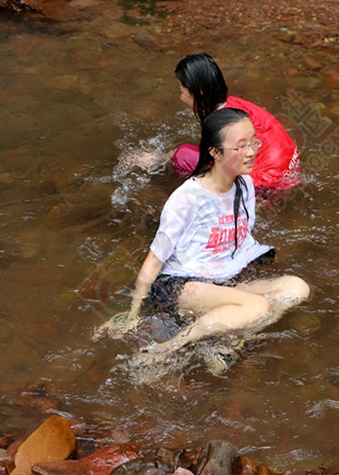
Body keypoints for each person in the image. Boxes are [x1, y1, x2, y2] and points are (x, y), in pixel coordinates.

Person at [95, 108, 310, 356]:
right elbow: (154, 261)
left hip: (225, 279)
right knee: (258, 306)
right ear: (215, 152)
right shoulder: (187, 198)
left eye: (254, 142)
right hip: (184, 285)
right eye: (241, 146)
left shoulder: (245, 184)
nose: (252, 152)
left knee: (296, 289)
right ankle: (168, 348)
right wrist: (132, 310)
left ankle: (222, 338)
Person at [171, 53, 300, 191]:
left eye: (181, 91)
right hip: (291, 168)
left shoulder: (223, 123)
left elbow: (219, 160)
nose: (181, 97)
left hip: (267, 184)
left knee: (182, 156)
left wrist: (165, 158)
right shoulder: (235, 104)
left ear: (200, 92)